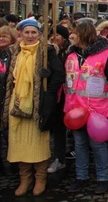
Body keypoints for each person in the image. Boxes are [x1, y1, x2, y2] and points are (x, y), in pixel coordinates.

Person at [1, 18, 65, 196]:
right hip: (17, 103)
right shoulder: (13, 52)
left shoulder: (47, 52)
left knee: (37, 143)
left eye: (33, 33)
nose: (30, 36)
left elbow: (59, 76)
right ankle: (25, 178)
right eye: (26, 32)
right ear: (20, 34)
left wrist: (48, 82)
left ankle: (40, 177)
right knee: (19, 143)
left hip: (38, 105)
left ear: (39, 34)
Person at [64, 22, 108, 194]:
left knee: (97, 144)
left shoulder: (104, 54)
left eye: (75, 33)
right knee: (79, 144)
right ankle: (81, 176)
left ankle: (102, 177)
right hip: (75, 108)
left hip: (97, 109)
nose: (72, 36)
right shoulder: (71, 55)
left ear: (84, 35)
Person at [46, 24, 72, 174]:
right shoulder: (47, 52)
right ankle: (54, 157)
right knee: (54, 127)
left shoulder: (68, 53)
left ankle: (62, 157)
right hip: (51, 95)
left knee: (61, 128)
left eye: (57, 35)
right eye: (52, 34)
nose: (53, 38)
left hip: (65, 95)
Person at [0, 26, 16, 173]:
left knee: (8, 133)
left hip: (8, 97)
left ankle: (14, 162)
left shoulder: (13, 54)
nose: (1, 39)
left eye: (4, 36)